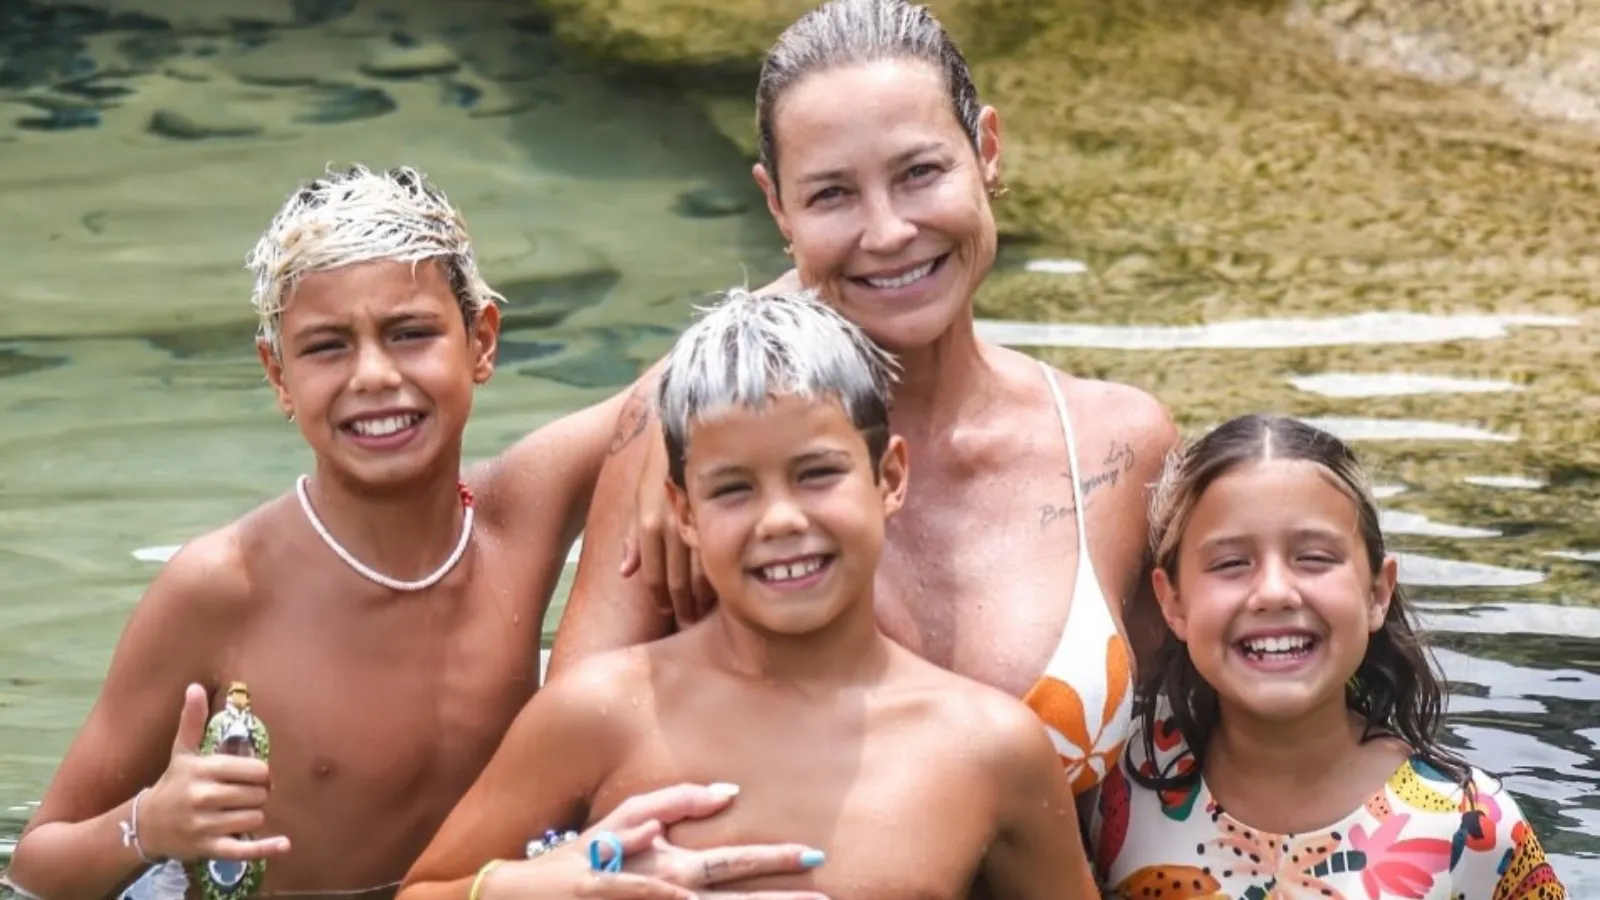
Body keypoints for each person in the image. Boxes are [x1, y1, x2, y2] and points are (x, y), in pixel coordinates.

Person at [0, 166, 824, 900]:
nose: (374, 376)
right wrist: (149, 825)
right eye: (327, 347)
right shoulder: (223, 586)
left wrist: (843, 252)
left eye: (409, 333)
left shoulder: (517, 512)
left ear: (483, 342)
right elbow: (35, 865)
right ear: (278, 376)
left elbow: (686, 371)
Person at [550, 0, 1179, 811]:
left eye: (920, 173)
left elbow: (1187, 780)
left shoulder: (1117, 445)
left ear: (986, 149)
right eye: (831, 196)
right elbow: (562, 779)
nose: (887, 232)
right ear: (776, 207)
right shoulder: (690, 447)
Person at [395, 288, 1099, 900]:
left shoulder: (989, 748)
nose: (782, 520)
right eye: (733, 489)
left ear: (888, 477)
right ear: (684, 512)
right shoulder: (601, 713)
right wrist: (534, 885)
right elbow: (422, 892)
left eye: (817, 474)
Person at [1090, 414, 1567, 898]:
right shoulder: (1118, 791)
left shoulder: (1472, 826)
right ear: (1173, 602)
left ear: (1378, 593)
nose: (1274, 592)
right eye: (1231, 563)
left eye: (1315, 558)